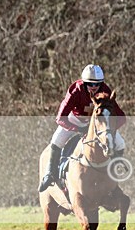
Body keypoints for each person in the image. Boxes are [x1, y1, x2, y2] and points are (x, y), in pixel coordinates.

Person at [38, 64, 126, 192]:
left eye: (97, 84)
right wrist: (77, 129)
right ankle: (50, 173)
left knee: (120, 143)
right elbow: (60, 118)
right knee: (56, 140)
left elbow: (121, 117)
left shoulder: (105, 90)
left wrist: (108, 130)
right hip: (74, 120)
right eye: (90, 84)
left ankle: (115, 169)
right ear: (84, 83)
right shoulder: (76, 90)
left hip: (96, 123)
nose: (94, 88)